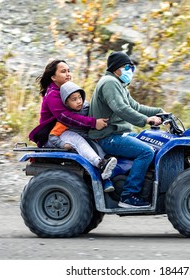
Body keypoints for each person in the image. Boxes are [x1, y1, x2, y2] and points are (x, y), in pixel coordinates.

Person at [88, 51, 164, 208]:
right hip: (107, 137)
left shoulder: (120, 85)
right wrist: (146, 120)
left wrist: (159, 111)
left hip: (117, 133)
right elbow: (120, 108)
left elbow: (135, 106)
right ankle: (129, 195)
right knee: (146, 151)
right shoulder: (109, 82)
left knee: (151, 142)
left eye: (132, 67)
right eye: (127, 67)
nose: (131, 70)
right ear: (116, 68)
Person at [29, 59, 116, 191]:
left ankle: (106, 178)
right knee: (78, 141)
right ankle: (101, 165)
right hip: (55, 135)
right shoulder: (53, 94)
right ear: (53, 77)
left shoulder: (68, 91)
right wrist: (93, 123)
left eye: (69, 71)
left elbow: (85, 108)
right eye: (63, 71)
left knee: (98, 144)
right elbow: (66, 117)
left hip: (69, 130)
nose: (68, 74)